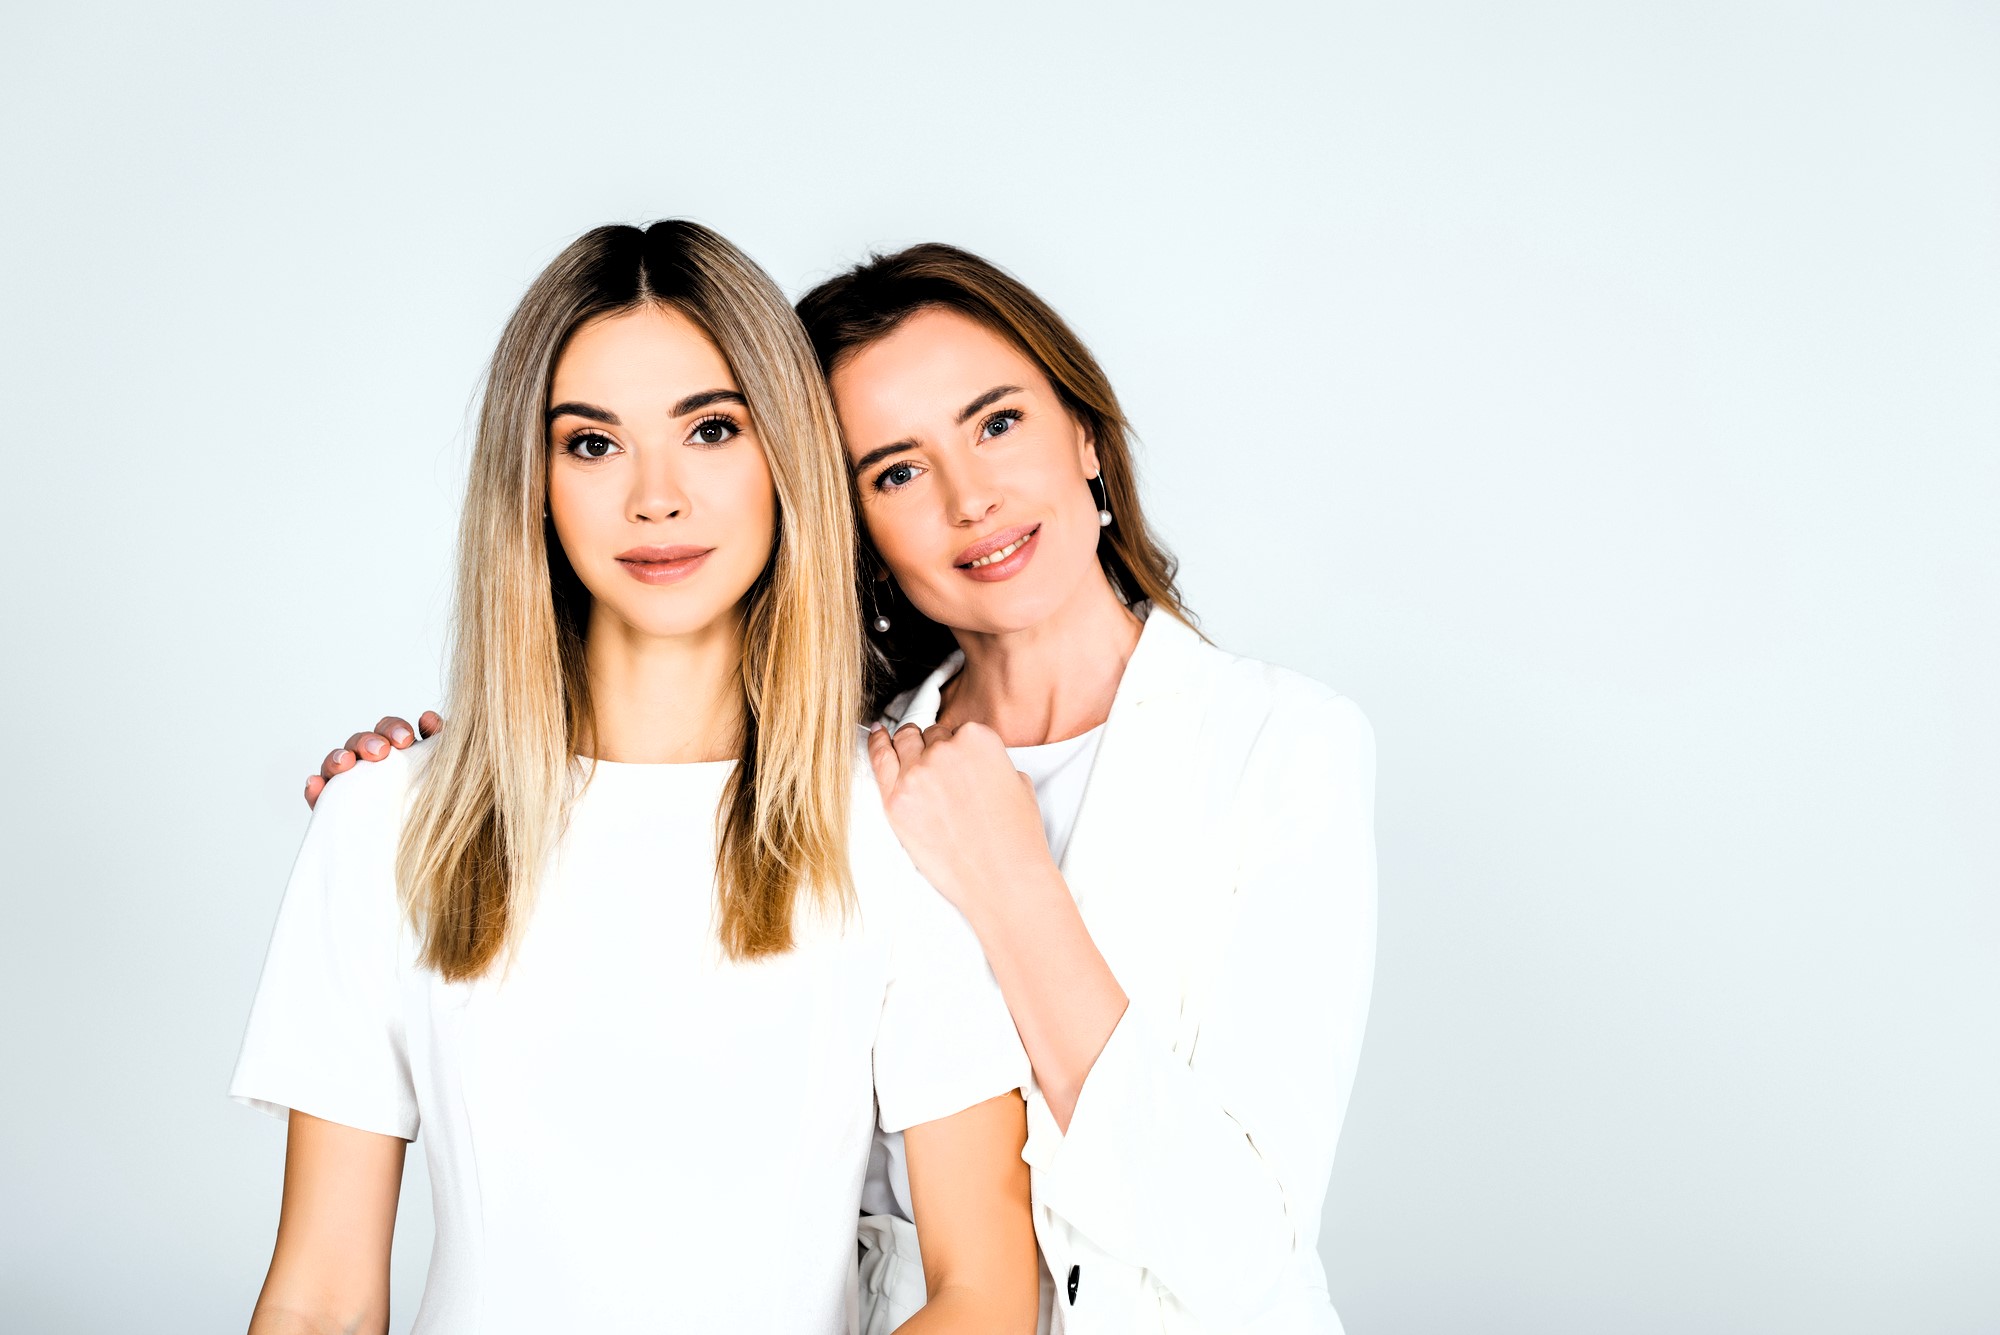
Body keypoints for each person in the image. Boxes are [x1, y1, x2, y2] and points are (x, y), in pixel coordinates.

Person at [318, 243, 1377, 1335]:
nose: (972, 498)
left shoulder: (1279, 751)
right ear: (844, 519)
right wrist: (456, 784)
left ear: (1087, 437)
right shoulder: (851, 780)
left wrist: (1012, 887)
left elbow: (1245, 1252)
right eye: (896, 470)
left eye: (997, 422)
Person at [236, 222, 1039, 1335]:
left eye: (710, 429)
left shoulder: (903, 823)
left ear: (785, 458)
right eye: (593, 444)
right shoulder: (383, 819)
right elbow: (319, 1298)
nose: (655, 498)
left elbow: (985, 1291)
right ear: (535, 480)